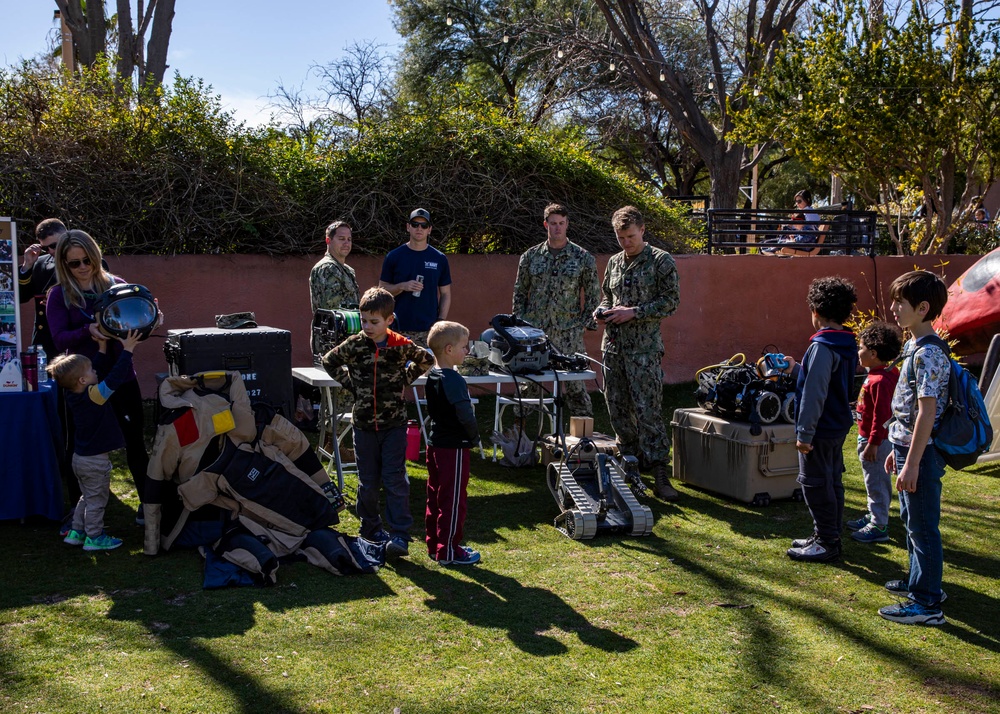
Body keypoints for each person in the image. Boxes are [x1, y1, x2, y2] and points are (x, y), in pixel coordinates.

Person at [46, 230, 154, 524]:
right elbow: (58, 340)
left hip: (120, 376)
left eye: (86, 260)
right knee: (80, 447)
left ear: (95, 257)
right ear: (63, 265)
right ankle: (78, 513)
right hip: (83, 382)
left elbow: (135, 324)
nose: (82, 267)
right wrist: (88, 332)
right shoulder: (59, 295)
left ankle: (147, 505)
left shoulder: (117, 285)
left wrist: (148, 319)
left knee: (134, 442)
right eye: (73, 263)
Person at [321, 287, 434, 557]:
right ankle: (370, 528)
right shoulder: (355, 344)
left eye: (375, 322)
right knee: (368, 482)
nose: (368, 327)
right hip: (363, 426)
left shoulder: (400, 345)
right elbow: (329, 361)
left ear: (389, 320)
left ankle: (400, 536)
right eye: (364, 321)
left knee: (395, 480)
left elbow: (426, 359)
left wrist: (403, 380)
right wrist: (352, 385)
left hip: (394, 425)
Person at [878, 270, 951, 626]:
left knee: (923, 526)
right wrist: (897, 447)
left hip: (921, 454)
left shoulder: (929, 355)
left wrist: (913, 462)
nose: (893, 308)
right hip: (907, 448)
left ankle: (927, 604)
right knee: (912, 521)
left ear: (922, 308)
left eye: (899, 302)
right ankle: (920, 581)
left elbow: (927, 411)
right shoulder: (913, 346)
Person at [595, 206, 680, 501]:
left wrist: (634, 312)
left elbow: (670, 302)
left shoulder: (660, 261)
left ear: (642, 230)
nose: (626, 243)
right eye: (620, 238)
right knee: (616, 408)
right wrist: (602, 310)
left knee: (648, 411)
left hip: (643, 350)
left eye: (630, 236)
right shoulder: (615, 262)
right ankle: (629, 468)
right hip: (614, 347)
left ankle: (659, 472)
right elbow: (607, 294)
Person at [47, 329, 143, 551]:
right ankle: (95, 537)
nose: (95, 371)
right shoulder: (95, 396)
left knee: (86, 497)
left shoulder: (74, 393)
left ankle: (77, 531)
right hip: (95, 463)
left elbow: (97, 370)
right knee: (97, 501)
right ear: (82, 379)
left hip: (80, 459)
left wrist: (101, 348)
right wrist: (127, 350)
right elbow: (115, 377)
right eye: (90, 370)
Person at [786, 277, 858, 563]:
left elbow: (814, 393)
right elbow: (826, 379)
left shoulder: (821, 346)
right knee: (832, 480)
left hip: (819, 429)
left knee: (814, 483)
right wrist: (797, 371)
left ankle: (826, 541)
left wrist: (804, 434)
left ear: (815, 311)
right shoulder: (846, 343)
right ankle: (829, 534)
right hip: (837, 426)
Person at [512, 203, 600, 419]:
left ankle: (583, 439)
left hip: (568, 333)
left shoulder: (582, 257)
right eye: (553, 224)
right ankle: (519, 440)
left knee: (575, 387)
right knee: (527, 387)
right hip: (534, 333)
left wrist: (581, 325)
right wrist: (520, 327)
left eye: (561, 223)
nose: (557, 228)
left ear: (567, 224)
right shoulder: (530, 256)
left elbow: (593, 296)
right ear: (546, 225)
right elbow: (520, 293)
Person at [424, 321, 482, 566]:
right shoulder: (454, 379)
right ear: (449, 349)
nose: (467, 351)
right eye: (463, 346)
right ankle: (449, 551)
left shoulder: (433, 375)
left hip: (435, 443)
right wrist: (475, 437)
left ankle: (434, 545)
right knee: (453, 500)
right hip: (453, 447)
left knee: (435, 496)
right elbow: (464, 414)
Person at [847, 321, 902, 544]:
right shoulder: (878, 375)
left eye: (860, 347)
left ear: (873, 352)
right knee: (872, 481)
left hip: (876, 443)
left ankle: (879, 525)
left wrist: (873, 443)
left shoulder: (881, 380)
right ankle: (874, 514)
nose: (858, 352)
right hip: (870, 439)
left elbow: (882, 415)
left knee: (877, 482)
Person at [378, 208, 452, 346]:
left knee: (426, 367)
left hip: (428, 330)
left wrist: (440, 321)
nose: (419, 228)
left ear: (429, 229)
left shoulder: (439, 258)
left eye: (424, 225)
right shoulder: (394, 256)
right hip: (398, 327)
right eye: (415, 224)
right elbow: (381, 290)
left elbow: (446, 293)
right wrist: (402, 286)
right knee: (397, 366)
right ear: (408, 227)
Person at [17, 218, 67, 357]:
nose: (50, 251)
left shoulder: (87, 262)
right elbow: (21, 297)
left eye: (54, 245)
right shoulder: (40, 263)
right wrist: (27, 266)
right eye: (45, 248)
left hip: (74, 337)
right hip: (45, 342)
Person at [309, 220, 360, 313]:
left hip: (350, 325)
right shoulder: (327, 268)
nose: (346, 243)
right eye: (341, 239)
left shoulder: (347, 270)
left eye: (349, 239)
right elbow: (334, 309)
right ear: (328, 240)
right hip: (333, 326)